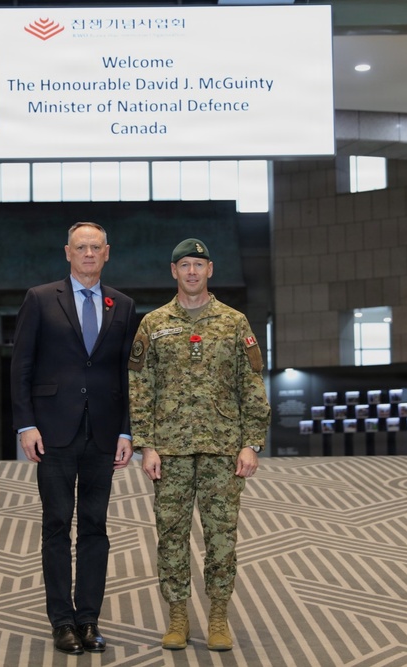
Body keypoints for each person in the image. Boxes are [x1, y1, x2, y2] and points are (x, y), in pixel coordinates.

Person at [128, 238, 270, 652]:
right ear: (173, 272)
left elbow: (251, 384)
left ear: (210, 271)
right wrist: (146, 445)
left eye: (199, 265)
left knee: (221, 537)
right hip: (169, 449)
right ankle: (177, 616)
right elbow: (140, 387)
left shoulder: (234, 322)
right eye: (184, 265)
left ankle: (219, 616)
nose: (192, 272)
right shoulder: (153, 324)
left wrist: (251, 443)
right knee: (170, 535)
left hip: (223, 449)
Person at [10, 222, 137, 655]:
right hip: (54, 432)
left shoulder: (122, 304)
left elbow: (126, 373)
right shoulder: (41, 299)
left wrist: (126, 429)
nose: (87, 254)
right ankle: (61, 621)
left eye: (95, 248)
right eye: (80, 247)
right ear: (68, 252)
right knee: (57, 526)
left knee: (96, 529)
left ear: (107, 253)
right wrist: (26, 424)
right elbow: (21, 366)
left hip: (103, 434)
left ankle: (89, 620)